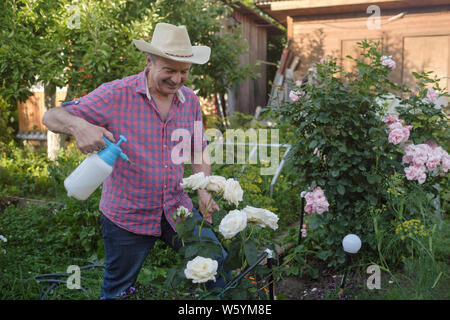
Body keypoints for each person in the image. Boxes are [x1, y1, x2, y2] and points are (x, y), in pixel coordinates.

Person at [42, 22, 227, 299]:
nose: (177, 79)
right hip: (127, 215)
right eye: (169, 70)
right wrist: (79, 127)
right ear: (149, 61)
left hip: (177, 208)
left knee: (216, 264)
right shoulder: (115, 94)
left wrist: (204, 188)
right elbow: (51, 117)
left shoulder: (190, 101)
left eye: (184, 72)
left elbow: (198, 149)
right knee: (117, 290)